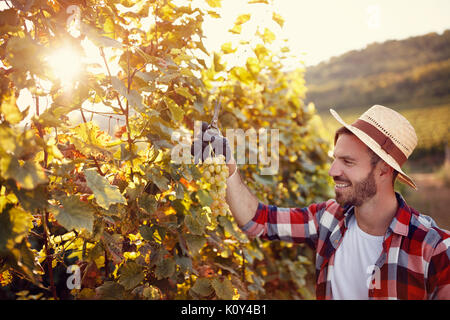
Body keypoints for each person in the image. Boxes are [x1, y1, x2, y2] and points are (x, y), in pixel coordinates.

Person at [192, 105, 450, 300]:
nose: (332, 170)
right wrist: (229, 168)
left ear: (383, 169)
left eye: (347, 162)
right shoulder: (329, 218)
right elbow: (258, 220)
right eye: (335, 158)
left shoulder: (435, 250)